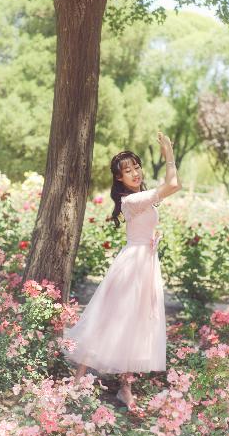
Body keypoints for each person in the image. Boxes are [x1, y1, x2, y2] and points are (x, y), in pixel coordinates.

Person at [61, 132, 182, 412]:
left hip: (146, 264)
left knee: (137, 322)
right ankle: (78, 379)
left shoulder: (143, 198)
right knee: (111, 316)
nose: (134, 173)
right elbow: (173, 184)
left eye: (136, 167)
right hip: (132, 265)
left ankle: (124, 388)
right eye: (127, 171)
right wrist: (169, 154)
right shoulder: (131, 201)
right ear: (119, 178)